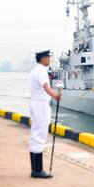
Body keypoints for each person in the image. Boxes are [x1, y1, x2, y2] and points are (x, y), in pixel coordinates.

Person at [29, 49, 61, 179]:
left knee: (35, 135)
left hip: (36, 104)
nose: (49, 59)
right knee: (40, 135)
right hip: (41, 105)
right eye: (48, 57)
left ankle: (35, 169)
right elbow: (46, 87)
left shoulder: (34, 71)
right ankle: (38, 171)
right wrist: (56, 96)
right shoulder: (41, 71)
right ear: (43, 58)